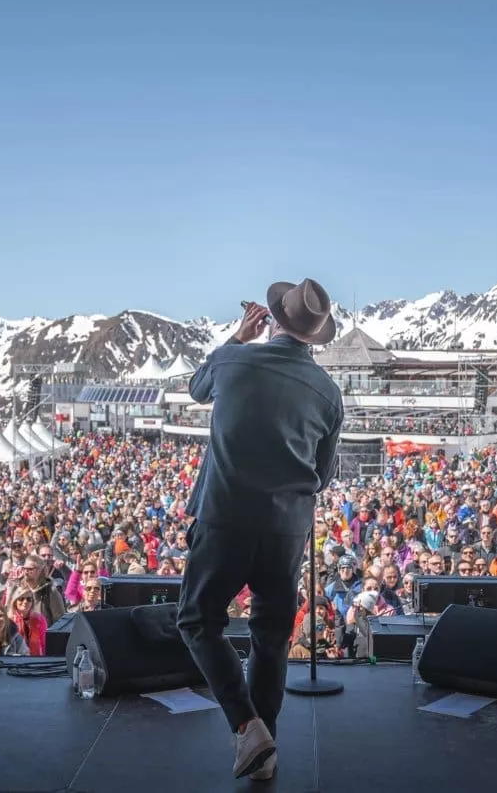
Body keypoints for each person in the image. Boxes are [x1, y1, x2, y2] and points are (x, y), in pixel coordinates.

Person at [175, 278, 343, 782]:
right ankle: (264, 747)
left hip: (225, 517)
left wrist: (237, 338)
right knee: (271, 637)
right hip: (287, 529)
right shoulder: (328, 393)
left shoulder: (232, 363)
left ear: (271, 320)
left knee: (197, 620)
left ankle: (246, 726)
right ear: (314, 337)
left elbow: (195, 386)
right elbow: (325, 474)